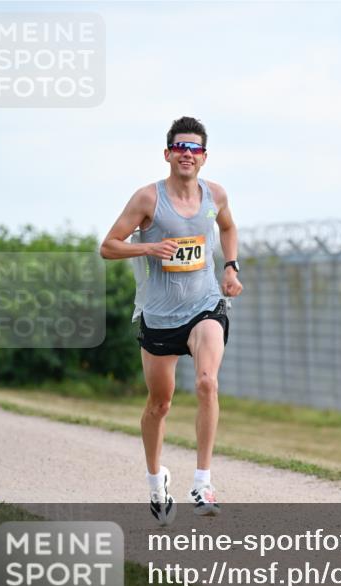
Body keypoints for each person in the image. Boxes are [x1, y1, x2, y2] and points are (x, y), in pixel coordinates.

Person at [99, 116, 243, 525]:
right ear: (167, 154)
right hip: (160, 316)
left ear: (204, 157)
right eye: (181, 147)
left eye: (195, 148)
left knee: (207, 382)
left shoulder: (215, 195)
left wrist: (230, 267)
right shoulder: (148, 199)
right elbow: (108, 246)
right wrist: (148, 249)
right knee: (160, 404)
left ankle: (202, 482)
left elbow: (229, 227)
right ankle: (155, 481)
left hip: (205, 304)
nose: (187, 154)